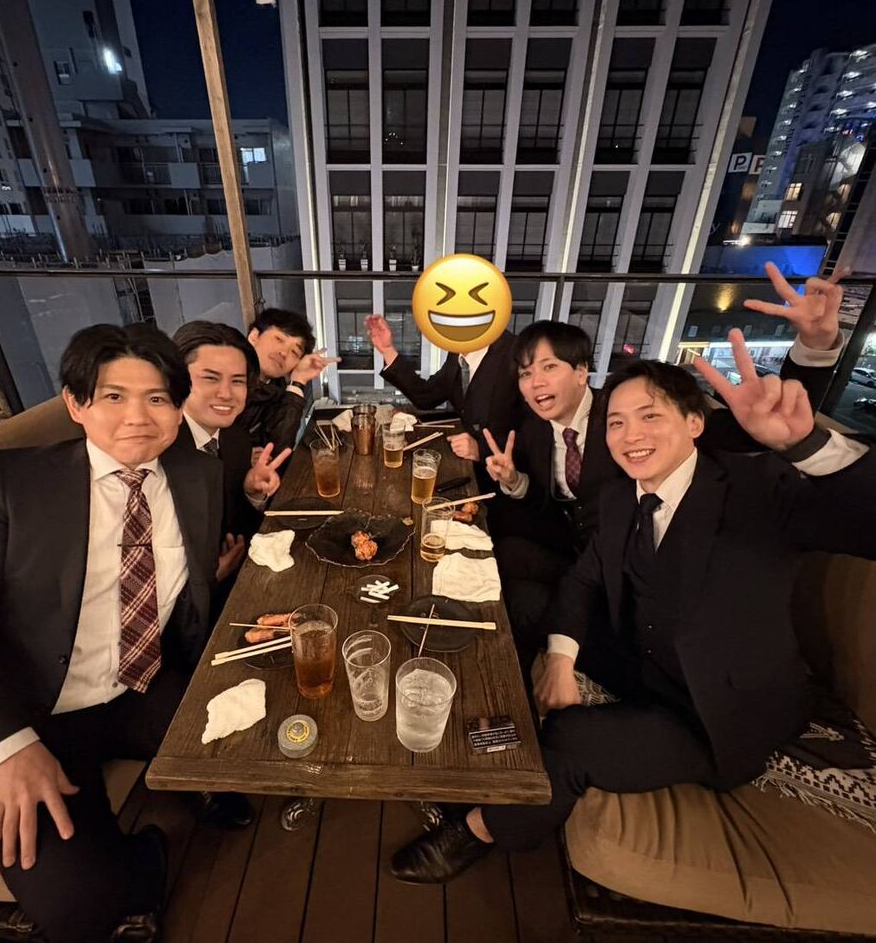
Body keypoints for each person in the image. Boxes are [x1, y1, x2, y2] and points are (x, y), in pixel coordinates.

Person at [389, 331, 876, 884]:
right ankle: (501, 724)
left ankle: (478, 831)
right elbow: (584, 578)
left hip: (710, 706)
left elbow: (863, 520)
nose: (630, 435)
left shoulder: (755, 491)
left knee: (573, 740)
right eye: (616, 422)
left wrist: (807, 445)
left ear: (695, 424)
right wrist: (561, 658)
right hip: (636, 655)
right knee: (523, 600)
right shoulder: (623, 494)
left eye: (650, 417)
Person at [0, 324, 231, 943]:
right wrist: (6, 746)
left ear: (177, 408)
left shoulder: (198, 475)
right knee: (80, 911)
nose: (138, 416)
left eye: (157, 398)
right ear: (75, 403)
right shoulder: (12, 483)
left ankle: (186, 792)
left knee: (248, 749)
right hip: (25, 712)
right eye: (114, 396)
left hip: (138, 684)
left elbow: (188, 599)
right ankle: (142, 859)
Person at [487, 264, 848, 674]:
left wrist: (814, 351)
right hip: (583, 554)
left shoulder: (629, 413)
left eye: (549, 367)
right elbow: (551, 501)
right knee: (505, 555)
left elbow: (759, 427)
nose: (535, 382)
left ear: (582, 371)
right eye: (526, 373)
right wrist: (515, 481)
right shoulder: (535, 429)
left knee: (526, 600)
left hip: (634, 571)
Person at [173, 320, 289, 554]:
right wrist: (209, 571)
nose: (226, 393)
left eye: (237, 381)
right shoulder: (156, 449)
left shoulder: (236, 439)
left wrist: (251, 491)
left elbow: (238, 523)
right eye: (210, 378)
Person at [363, 313, 521, 476]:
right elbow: (426, 396)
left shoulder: (517, 353)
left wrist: (482, 450)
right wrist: (388, 350)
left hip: (508, 480)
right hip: (467, 469)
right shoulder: (458, 351)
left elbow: (534, 434)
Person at [235, 308, 338, 452]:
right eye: (279, 339)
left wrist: (298, 381)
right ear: (254, 336)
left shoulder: (277, 391)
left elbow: (277, 450)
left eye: (294, 352)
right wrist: (239, 458)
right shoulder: (224, 376)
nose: (284, 352)